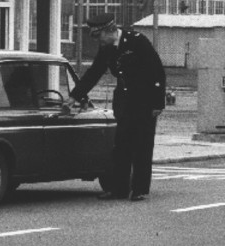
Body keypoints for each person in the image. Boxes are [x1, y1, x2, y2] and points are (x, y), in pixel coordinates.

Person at [68, 13, 166, 201]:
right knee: (121, 146)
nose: (98, 41)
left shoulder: (137, 41)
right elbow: (94, 73)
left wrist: (157, 103)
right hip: (124, 101)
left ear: (110, 31)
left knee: (142, 146)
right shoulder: (107, 49)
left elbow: (157, 71)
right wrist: (74, 97)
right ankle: (118, 188)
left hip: (144, 100)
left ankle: (139, 189)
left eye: (98, 36)